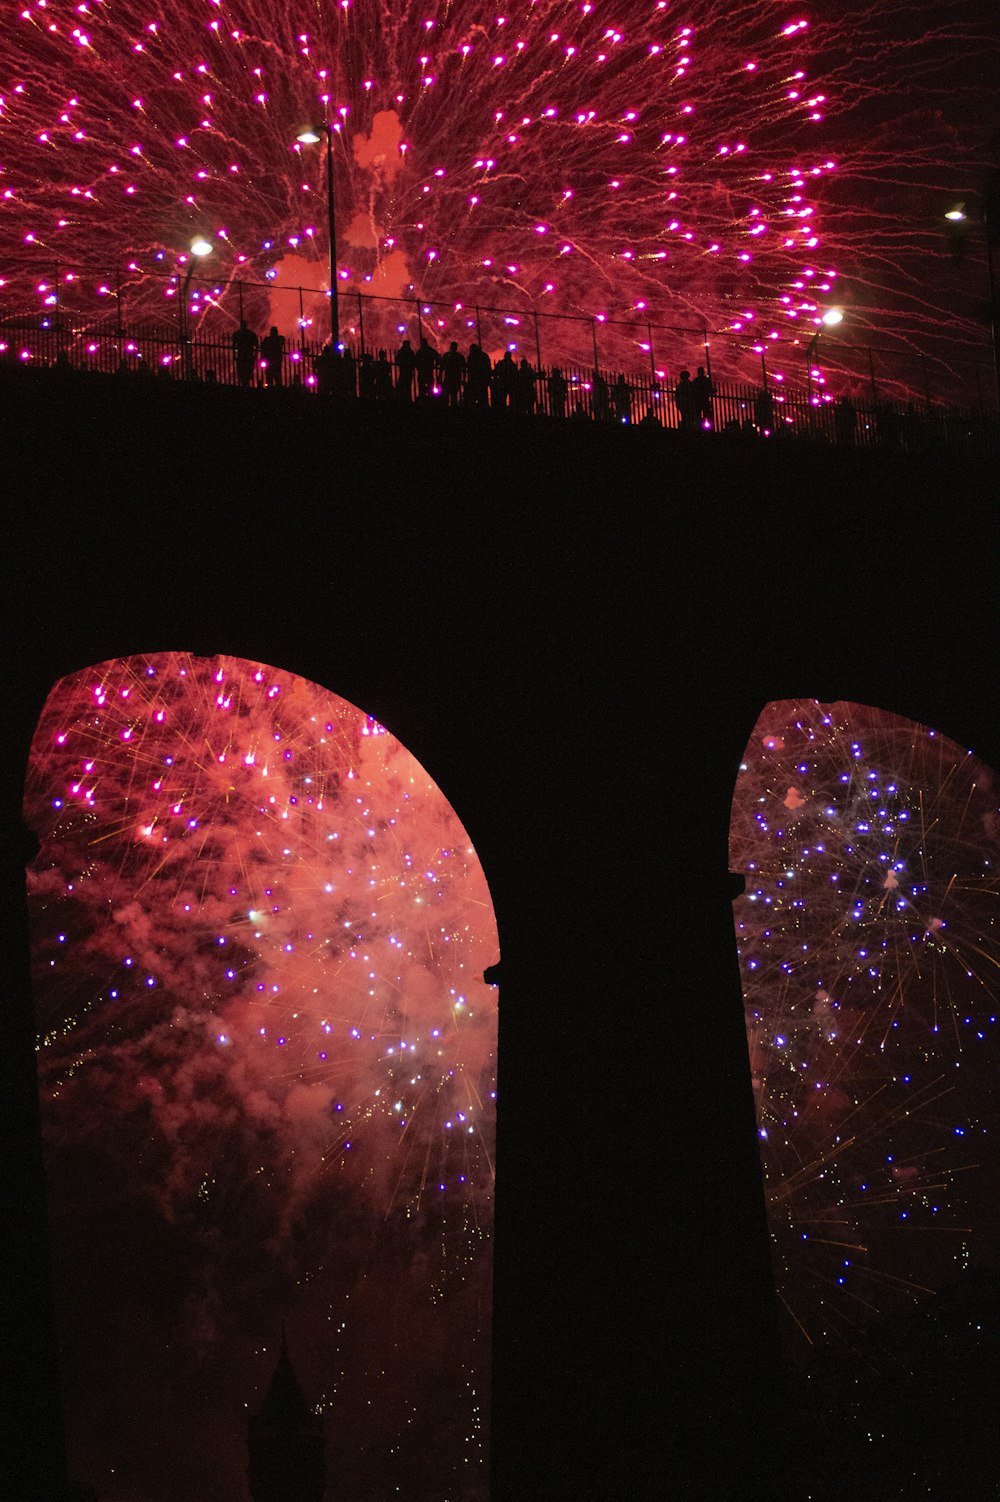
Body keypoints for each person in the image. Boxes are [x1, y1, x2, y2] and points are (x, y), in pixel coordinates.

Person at [232, 320, 259, 388]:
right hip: (247, 355)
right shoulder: (251, 334)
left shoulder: (237, 334)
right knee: (246, 370)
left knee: (243, 371)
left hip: (243, 355)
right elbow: (256, 345)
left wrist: (234, 355)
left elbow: (234, 346)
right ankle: (245, 384)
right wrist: (255, 354)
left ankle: (244, 384)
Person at [440, 341, 467, 407]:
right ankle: (453, 409)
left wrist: (439, 377)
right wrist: (463, 378)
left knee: (448, 394)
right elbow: (464, 368)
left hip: (450, 378)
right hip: (455, 378)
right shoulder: (459, 356)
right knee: (453, 394)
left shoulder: (447, 356)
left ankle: (447, 409)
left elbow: (442, 367)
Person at [466, 343, 492, 407]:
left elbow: (469, 366)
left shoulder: (472, 356)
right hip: (480, 378)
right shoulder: (483, 355)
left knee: (478, 394)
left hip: (477, 378)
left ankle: (477, 406)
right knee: (481, 393)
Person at [691, 365, 714, 429]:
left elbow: (693, 390)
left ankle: (698, 427)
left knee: (698, 416)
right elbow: (709, 390)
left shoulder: (695, 381)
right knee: (706, 415)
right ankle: (707, 427)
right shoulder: (706, 380)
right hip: (704, 400)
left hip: (698, 400)